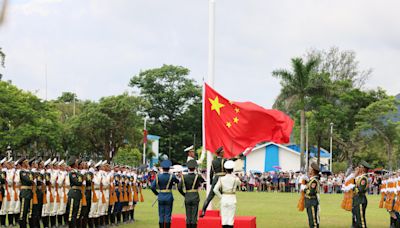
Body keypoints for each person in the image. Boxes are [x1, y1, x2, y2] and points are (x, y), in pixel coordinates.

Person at [151, 160, 179, 228]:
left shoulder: (158, 176)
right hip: (169, 196)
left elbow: (152, 187)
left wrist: (157, 194)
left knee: (161, 215)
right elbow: (178, 181)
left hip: (161, 196)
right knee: (168, 215)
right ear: (169, 168)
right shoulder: (172, 176)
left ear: (162, 168)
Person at [213, 160, 241, 228]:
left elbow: (215, 189)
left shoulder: (221, 178)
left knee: (224, 219)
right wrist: (234, 175)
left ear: (225, 169)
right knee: (230, 219)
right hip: (232, 198)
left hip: (224, 198)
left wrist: (221, 196)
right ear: (233, 169)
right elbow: (240, 184)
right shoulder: (235, 179)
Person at [178, 160, 205, 228]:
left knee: (188, 215)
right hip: (195, 196)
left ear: (188, 168)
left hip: (187, 196)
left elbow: (179, 187)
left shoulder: (184, 177)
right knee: (194, 216)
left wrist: (184, 194)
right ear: (195, 168)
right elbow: (203, 181)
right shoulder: (197, 176)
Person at [200, 147, 225, 217]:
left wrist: (211, 181)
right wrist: (241, 155)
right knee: (225, 196)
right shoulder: (224, 160)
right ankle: (223, 213)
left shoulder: (213, 162)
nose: (224, 153)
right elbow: (232, 160)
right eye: (223, 152)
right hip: (223, 179)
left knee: (209, 197)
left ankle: (203, 211)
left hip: (215, 178)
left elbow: (211, 173)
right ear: (220, 153)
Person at [352, 160, 371, 228]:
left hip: (360, 200)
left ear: (363, 169)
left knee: (361, 220)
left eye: (360, 167)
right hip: (357, 199)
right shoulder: (359, 177)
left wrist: (352, 188)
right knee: (357, 219)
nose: (358, 168)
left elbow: (360, 190)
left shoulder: (364, 178)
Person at [66, 157, 84, 228]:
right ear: (74, 164)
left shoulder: (78, 173)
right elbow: (78, 182)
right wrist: (81, 180)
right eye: (76, 162)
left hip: (78, 193)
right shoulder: (72, 173)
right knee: (72, 213)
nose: (77, 163)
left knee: (78, 212)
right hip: (73, 193)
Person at [18, 157, 35, 228]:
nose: (27, 163)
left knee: (30, 211)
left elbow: (33, 177)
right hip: (24, 192)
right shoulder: (22, 172)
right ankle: (22, 225)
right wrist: (33, 180)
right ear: (23, 163)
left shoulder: (29, 172)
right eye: (26, 162)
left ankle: (31, 225)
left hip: (30, 192)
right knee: (23, 211)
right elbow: (28, 180)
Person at [304, 162, 320, 228]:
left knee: (313, 221)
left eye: (310, 169)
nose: (309, 170)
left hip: (312, 202)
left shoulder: (314, 181)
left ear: (313, 171)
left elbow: (311, 192)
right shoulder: (311, 180)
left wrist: (304, 189)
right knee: (310, 219)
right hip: (309, 201)